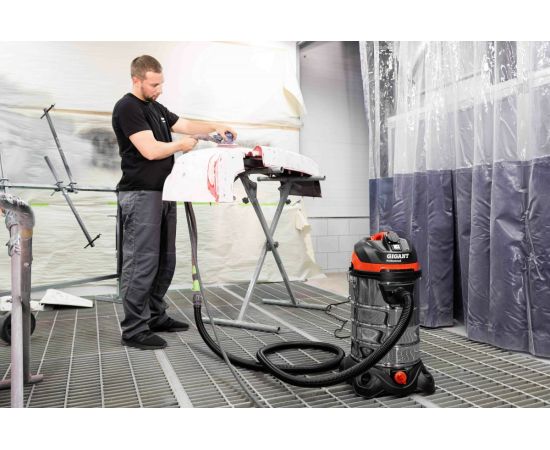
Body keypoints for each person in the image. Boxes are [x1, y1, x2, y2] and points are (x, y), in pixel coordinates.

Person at [112, 55, 236, 350]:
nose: (159, 89)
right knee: (141, 261)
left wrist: (217, 126)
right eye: (153, 85)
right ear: (136, 80)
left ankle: (155, 315)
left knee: (165, 259)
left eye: (161, 84)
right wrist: (181, 145)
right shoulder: (127, 107)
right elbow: (150, 150)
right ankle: (134, 329)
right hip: (141, 193)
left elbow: (186, 124)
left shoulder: (156, 108)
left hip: (165, 192)